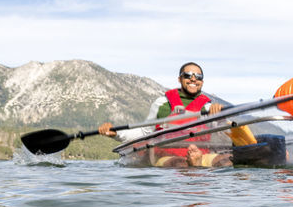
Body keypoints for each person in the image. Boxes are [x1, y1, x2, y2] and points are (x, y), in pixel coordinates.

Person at [99, 62, 231, 167]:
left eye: (198, 76)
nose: (193, 79)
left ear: (202, 82)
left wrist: (221, 116)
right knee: (180, 164)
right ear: (180, 79)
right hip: (168, 157)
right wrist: (116, 133)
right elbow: (145, 133)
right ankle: (193, 168)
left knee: (226, 161)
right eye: (188, 75)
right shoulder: (162, 103)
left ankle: (196, 166)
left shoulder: (209, 108)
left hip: (200, 155)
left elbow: (224, 134)